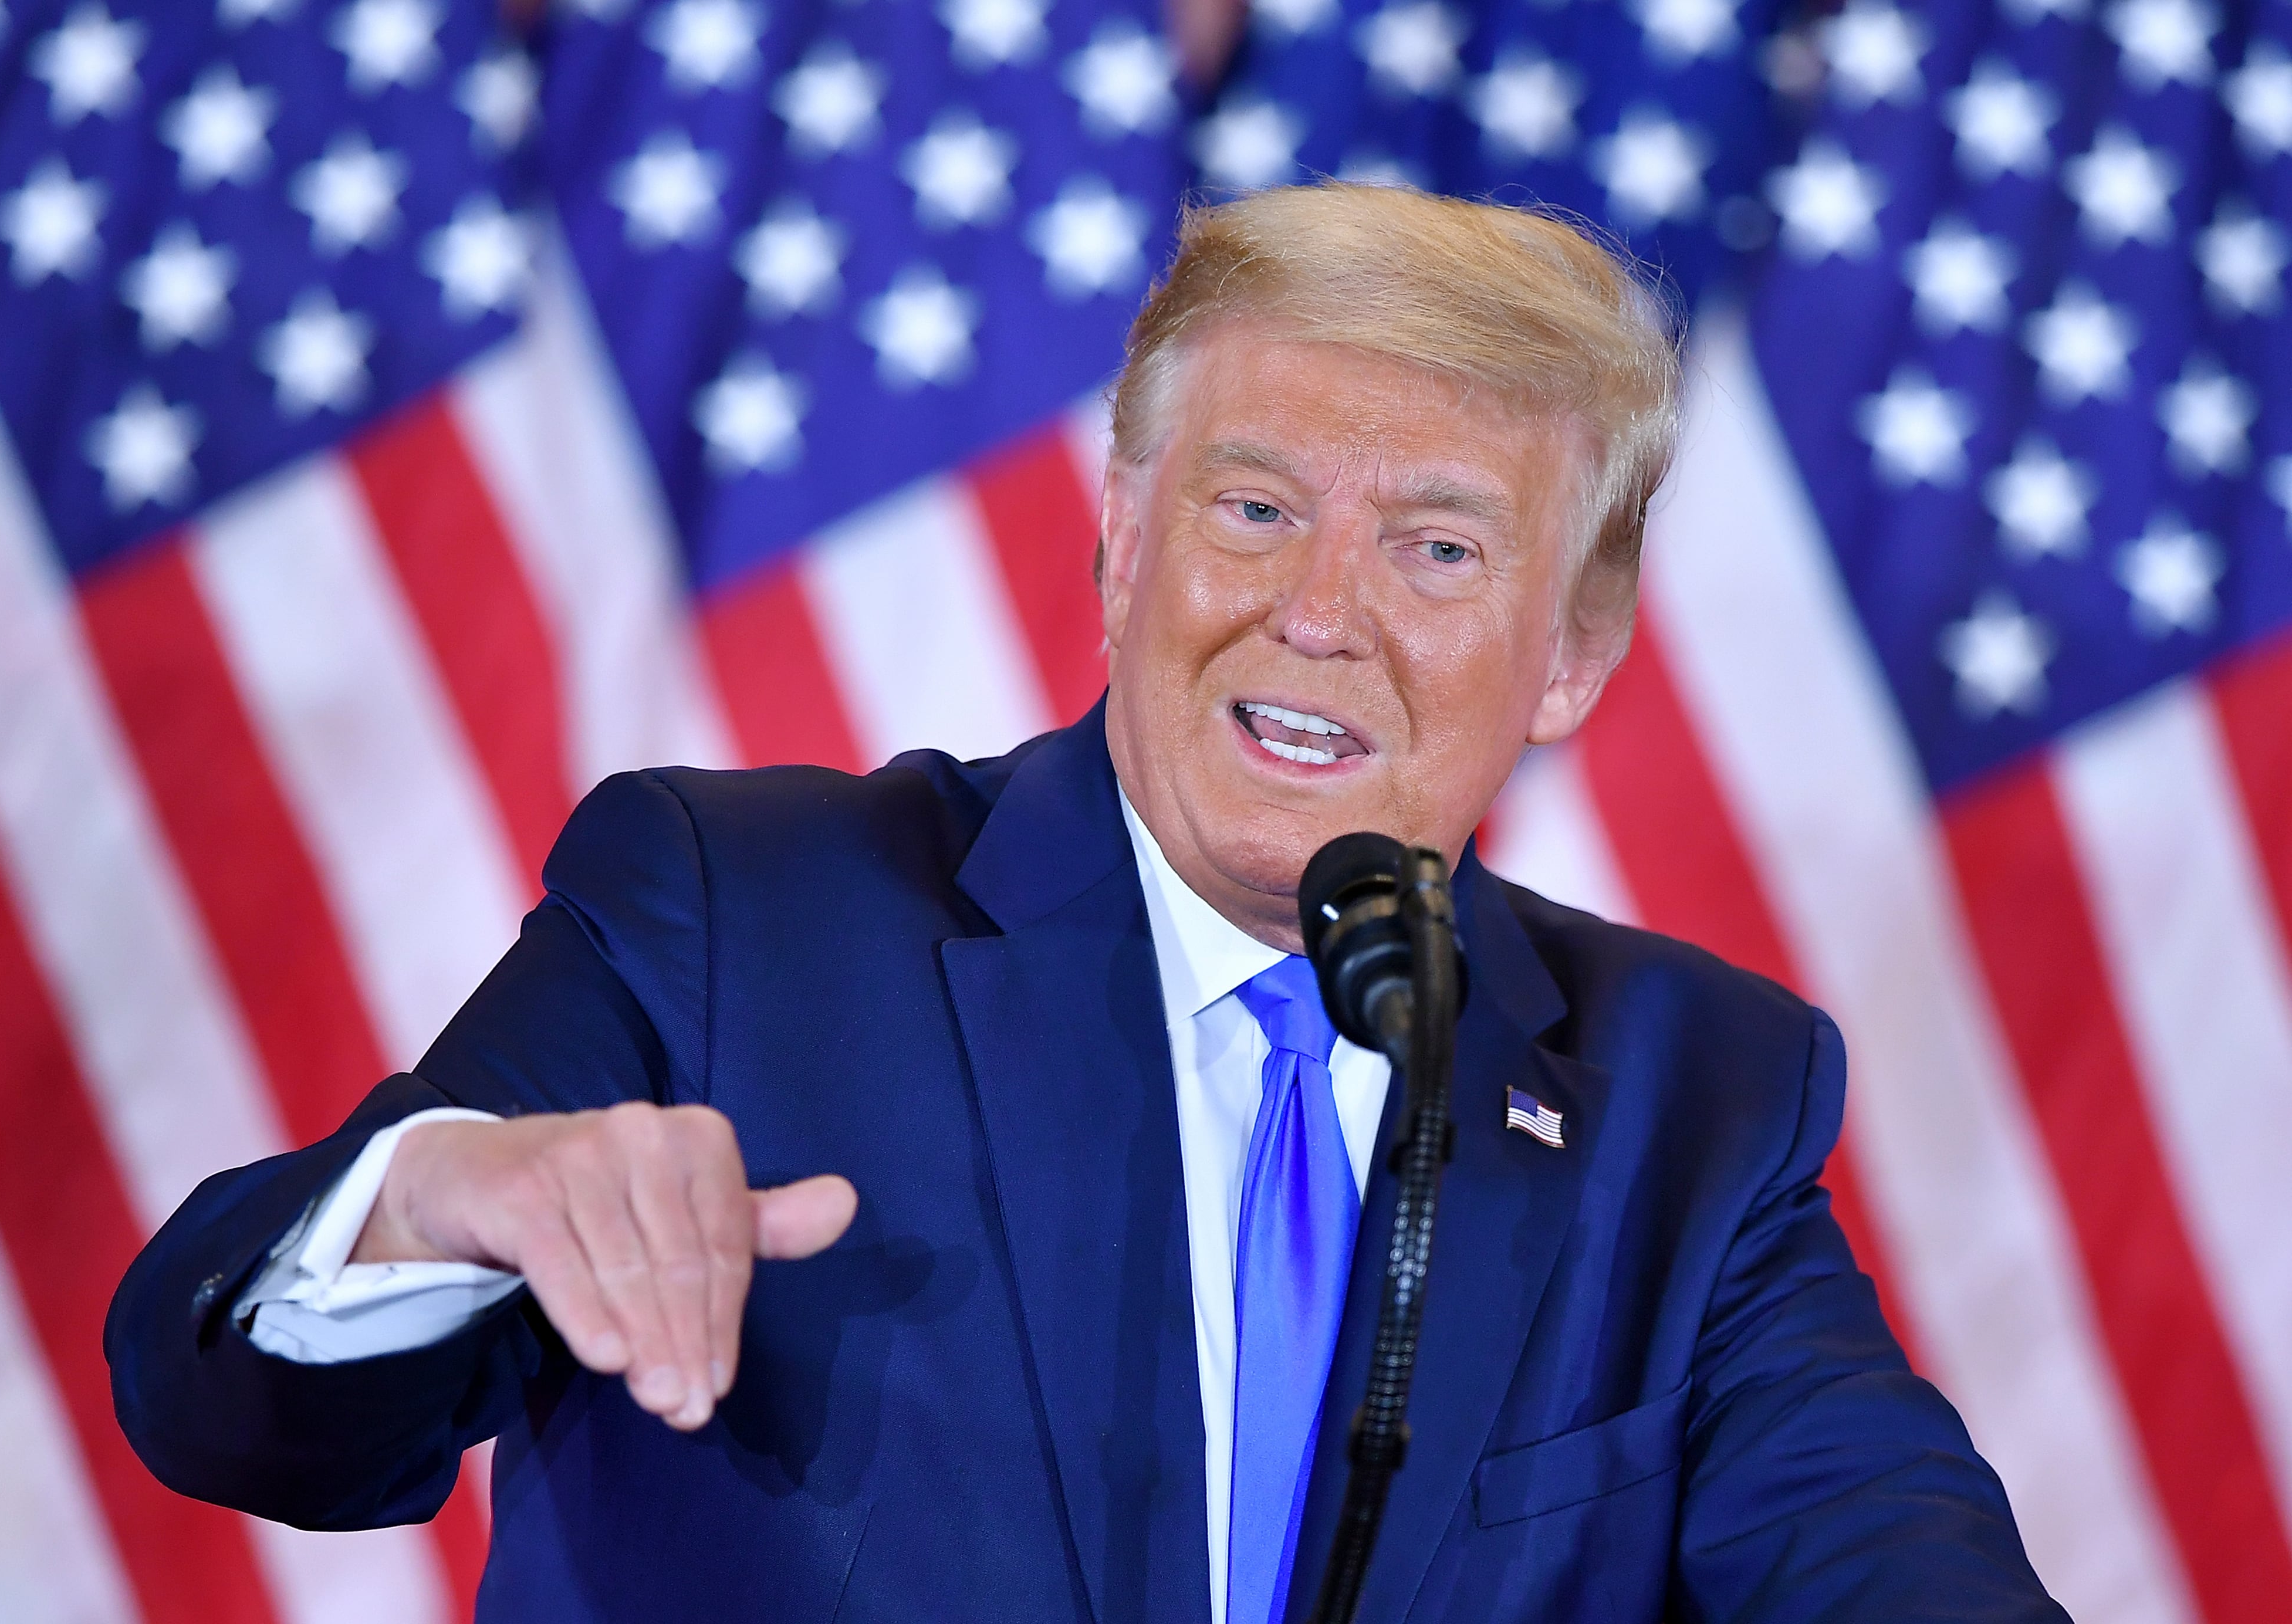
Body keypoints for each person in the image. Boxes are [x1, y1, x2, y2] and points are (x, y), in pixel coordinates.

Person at [107, 184, 2065, 1623]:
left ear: (1573, 652)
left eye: (1438, 547)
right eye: (1253, 506)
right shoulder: (741, 920)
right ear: (1125, 538)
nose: (1318, 611)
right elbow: (229, 1416)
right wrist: (442, 1199)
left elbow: (1894, 1573)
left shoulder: (1687, 1098)